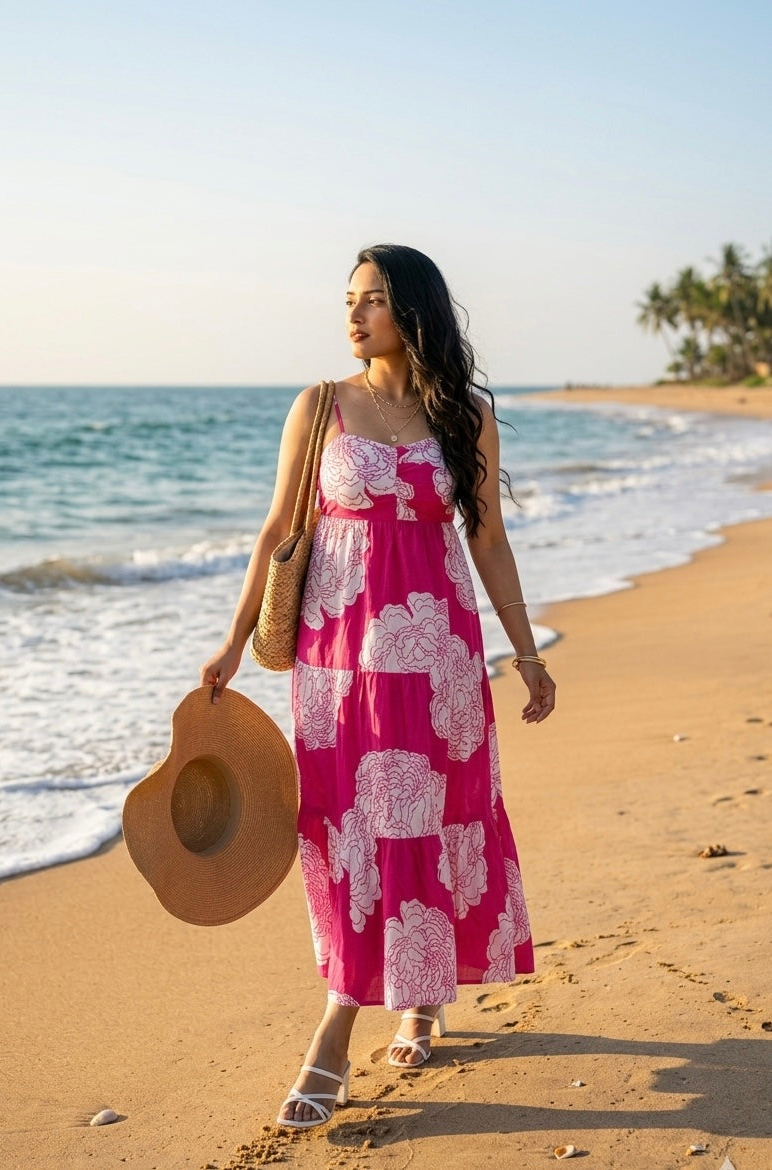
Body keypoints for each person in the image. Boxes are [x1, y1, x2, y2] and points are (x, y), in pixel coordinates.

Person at [199, 243, 556, 1129]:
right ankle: (361, 1004)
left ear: (414, 311)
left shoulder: (464, 413)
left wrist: (528, 649)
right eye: (347, 300)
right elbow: (278, 526)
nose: (352, 316)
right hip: (337, 661)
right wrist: (233, 642)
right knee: (348, 832)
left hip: (438, 656)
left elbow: (488, 539)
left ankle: (374, 1017)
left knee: (426, 821)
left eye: (372, 301)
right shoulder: (321, 406)